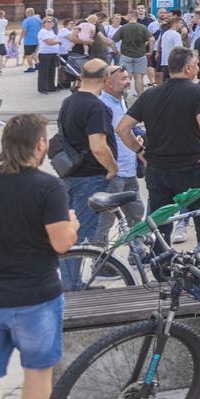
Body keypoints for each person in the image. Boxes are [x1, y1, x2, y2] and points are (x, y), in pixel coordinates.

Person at [0, 113, 78, 399]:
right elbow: (62, 243)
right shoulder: (48, 187)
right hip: (34, 298)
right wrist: (72, 225)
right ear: (41, 144)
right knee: (38, 373)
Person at [116, 47, 200, 246]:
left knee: (159, 223)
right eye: (197, 66)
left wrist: (140, 151)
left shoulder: (150, 94)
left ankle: (162, 269)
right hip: (191, 167)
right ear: (189, 68)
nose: (198, 70)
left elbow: (122, 129)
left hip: (157, 169)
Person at [56, 59, 118, 289]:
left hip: (71, 174)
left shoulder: (68, 102)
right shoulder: (96, 106)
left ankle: (72, 282)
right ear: (106, 79)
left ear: (80, 77)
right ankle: (72, 286)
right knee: (80, 235)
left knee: (71, 230)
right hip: (90, 178)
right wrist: (113, 167)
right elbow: (98, 146)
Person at [92, 65, 145, 246]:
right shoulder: (101, 105)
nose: (128, 81)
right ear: (108, 81)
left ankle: (138, 253)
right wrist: (110, 167)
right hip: (113, 173)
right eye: (123, 79)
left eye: (128, 78)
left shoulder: (121, 100)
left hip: (129, 169)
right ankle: (101, 262)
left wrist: (136, 138)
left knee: (136, 214)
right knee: (105, 220)